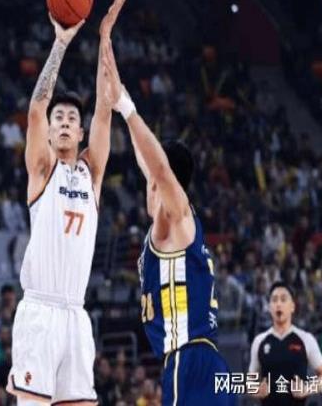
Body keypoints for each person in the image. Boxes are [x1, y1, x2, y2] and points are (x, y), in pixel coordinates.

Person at [101, 33, 236, 405]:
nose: (146, 184)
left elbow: (158, 168)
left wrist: (125, 106)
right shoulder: (173, 221)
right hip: (205, 361)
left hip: (190, 360)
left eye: (154, 182)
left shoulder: (177, 215)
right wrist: (121, 98)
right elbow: (150, 164)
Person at [6, 0, 127, 405]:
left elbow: (105, 110)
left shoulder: (92, 173)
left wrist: (105, 40)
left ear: (79, 134)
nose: (62, 122)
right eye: (58, 118)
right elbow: (36, 109)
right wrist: (60, 43)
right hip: (39, 312)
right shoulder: (43, 170)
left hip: (76, 314)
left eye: (71, 118)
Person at [248, 282, 322, 405]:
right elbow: (250, 382)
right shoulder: (259, 341)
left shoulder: (306, 339)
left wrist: (307, 389)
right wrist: (257, 391)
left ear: (292, 306)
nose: (278, 304)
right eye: (274, 300)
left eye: (283, 299)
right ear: (269, 307)